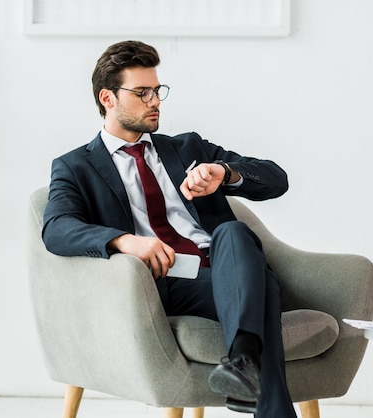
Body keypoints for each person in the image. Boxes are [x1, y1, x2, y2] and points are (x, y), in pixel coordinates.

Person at [41, 40, 296, 417]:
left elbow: (277, 179)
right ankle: (246, 366)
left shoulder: (186, 147)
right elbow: (57, 228)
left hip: (224, 268)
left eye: (157, 90)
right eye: (141, 92)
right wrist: (125, 241)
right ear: (107, 98)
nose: (155, 100)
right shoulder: (76, 166)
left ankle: (242, 364)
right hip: (166, 283)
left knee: (234, 233)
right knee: (264, 287)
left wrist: (224, 173)